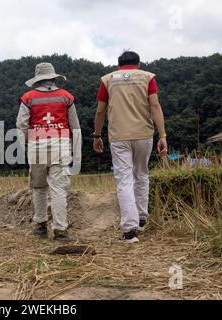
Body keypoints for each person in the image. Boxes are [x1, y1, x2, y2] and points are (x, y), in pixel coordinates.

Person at [93, 51, 167, 243]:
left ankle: (130, 230)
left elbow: (100, 110)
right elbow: (155, 106)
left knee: (124, 180)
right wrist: (163, 135)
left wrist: (97, 135)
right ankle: (142, 219)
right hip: (144, 133)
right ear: (138, 64)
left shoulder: (108, 79)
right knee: (142, 174)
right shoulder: (147, 77)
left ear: (118, 66)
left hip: (119, 136)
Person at [17, 62, 81, 241]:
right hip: (60, 145)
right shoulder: (66, 97)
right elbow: (75, 127)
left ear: (37, 80)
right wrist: (76, 150)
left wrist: (26, 149)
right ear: (54, 77)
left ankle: (40, 226)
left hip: (36, 145)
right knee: (58, 188)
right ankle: (60, 230)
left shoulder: (28, 97)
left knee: (39, 187)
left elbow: (21, 125)